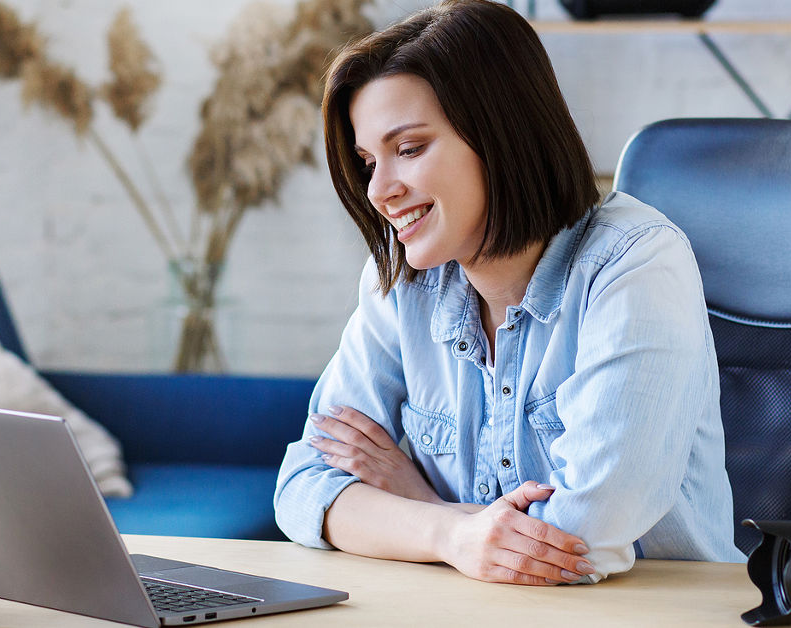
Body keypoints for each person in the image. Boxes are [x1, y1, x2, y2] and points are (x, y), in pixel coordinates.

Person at [273, 0, 744, 585]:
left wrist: (416, 501)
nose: (379, 191)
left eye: (410, 149)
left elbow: (583, 534)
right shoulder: (399, 285)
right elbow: (302, 489)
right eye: (369, 161)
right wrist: (450, 534)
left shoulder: (635, 266)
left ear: (501, 134)